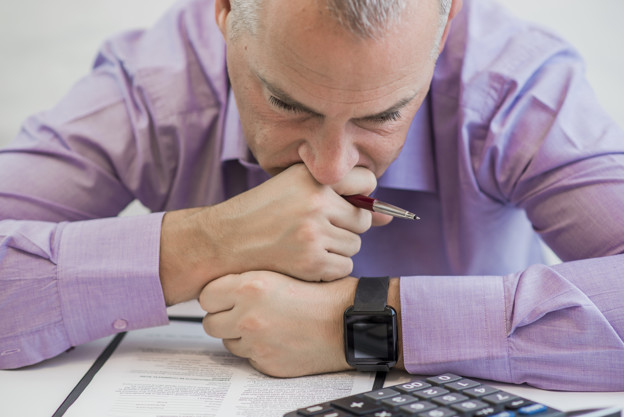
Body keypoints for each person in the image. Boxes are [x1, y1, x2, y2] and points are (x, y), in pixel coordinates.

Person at [1, 0, 623, 391]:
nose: (328, 168)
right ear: (224, 12)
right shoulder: (156, 86)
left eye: (383, 115)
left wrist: (360, 324)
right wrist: (209, 240)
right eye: (284, 103)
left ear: (446, 27)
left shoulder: (515, 86)